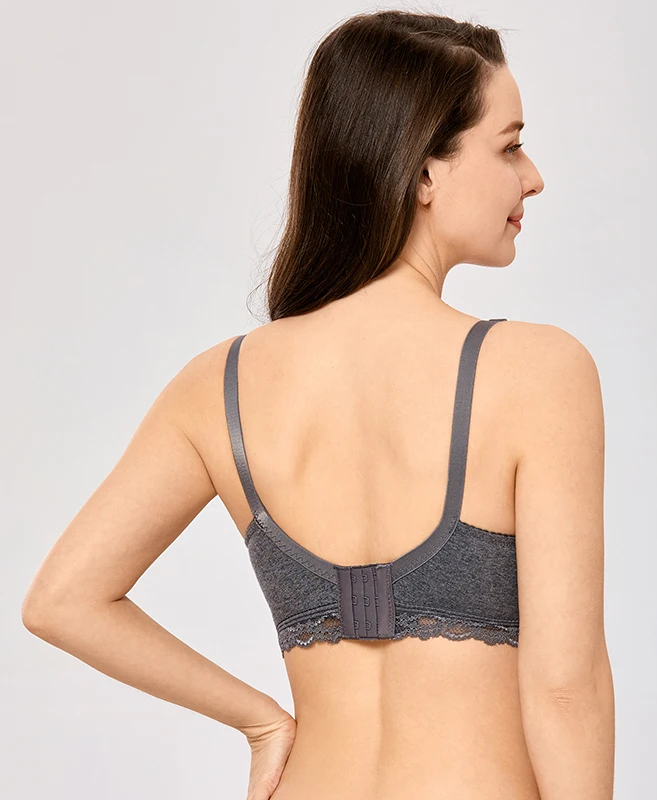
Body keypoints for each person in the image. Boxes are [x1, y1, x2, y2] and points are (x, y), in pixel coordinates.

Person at [20, 9, 614, 800]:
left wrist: (263, 722)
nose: (532, 176)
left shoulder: (218, 386)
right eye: (509, 146)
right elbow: (566, 690)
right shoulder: (539, 371)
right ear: (424, 172)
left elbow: (62, 599)